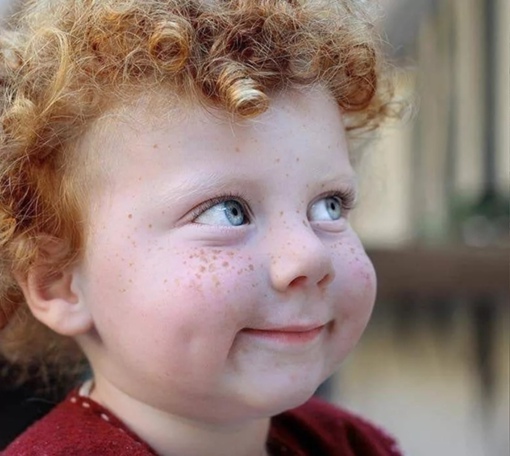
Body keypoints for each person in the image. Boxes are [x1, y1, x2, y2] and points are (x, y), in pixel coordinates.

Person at [0, 0, 402, 454]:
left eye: (329, 206)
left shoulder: (350, 444)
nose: (309, 254)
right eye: (228, 211)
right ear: (59, 283)